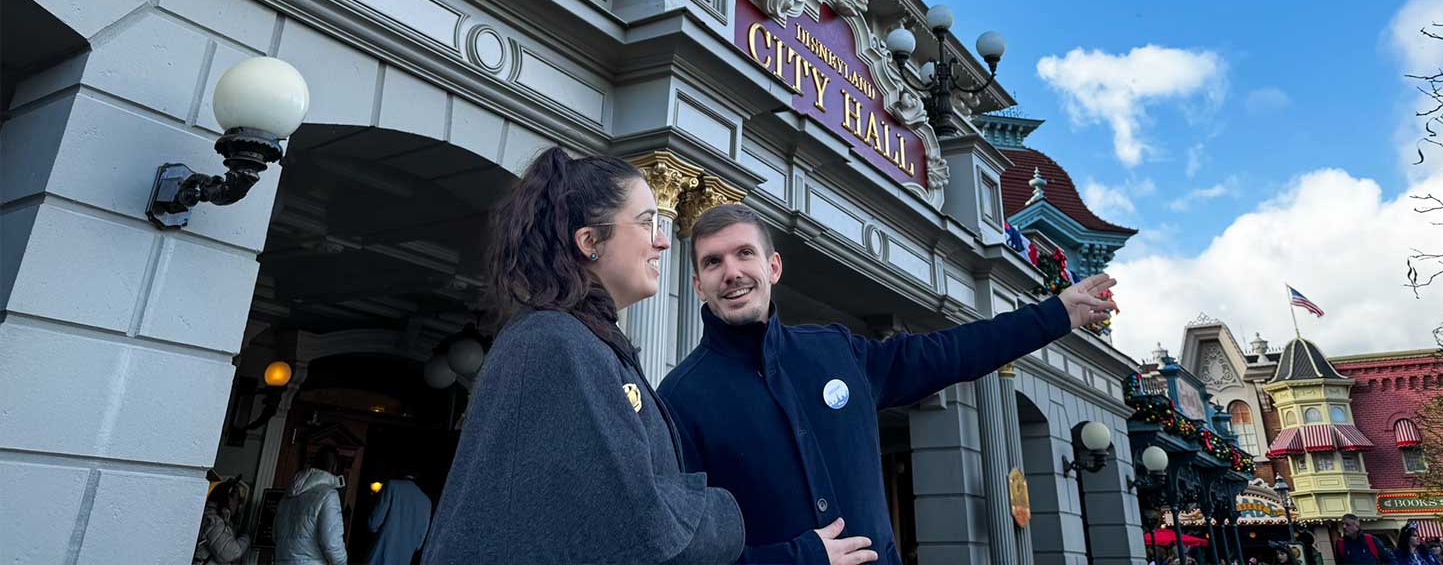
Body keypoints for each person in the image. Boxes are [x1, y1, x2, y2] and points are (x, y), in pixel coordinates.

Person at [658, 204, 1119, 564]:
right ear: (698, 285)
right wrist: (799, 559)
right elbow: (681, 547)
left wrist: (1056, 315)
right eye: (714, 262)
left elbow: (953, 352)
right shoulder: (681, 398)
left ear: (773, 267)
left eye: (744, 254)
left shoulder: (836, 351)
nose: (732, 272)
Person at [423, 149, 745, 564]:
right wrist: (733, 510)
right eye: (647, 223)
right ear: (590, 241)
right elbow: (637, 526)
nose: (663, 240)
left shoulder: (576, 338)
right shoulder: (555, 341)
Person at [274, 446, 350, 565]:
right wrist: (342, 562)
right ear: (334, 467)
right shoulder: (329, 494)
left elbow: (275, 535)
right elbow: (331, 543)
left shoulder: (287, 496)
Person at [365, 469, 432, 565]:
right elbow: (419, 544)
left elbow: (373, 524)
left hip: (380, 556)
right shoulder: (427, 502)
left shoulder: (392, 486)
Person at [192, 476, 250, 565]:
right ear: (228, 498)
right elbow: (229, 553)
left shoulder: (215, 518)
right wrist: (246, 539)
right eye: (237, 500)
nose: (238, 504)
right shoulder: (213, 520)